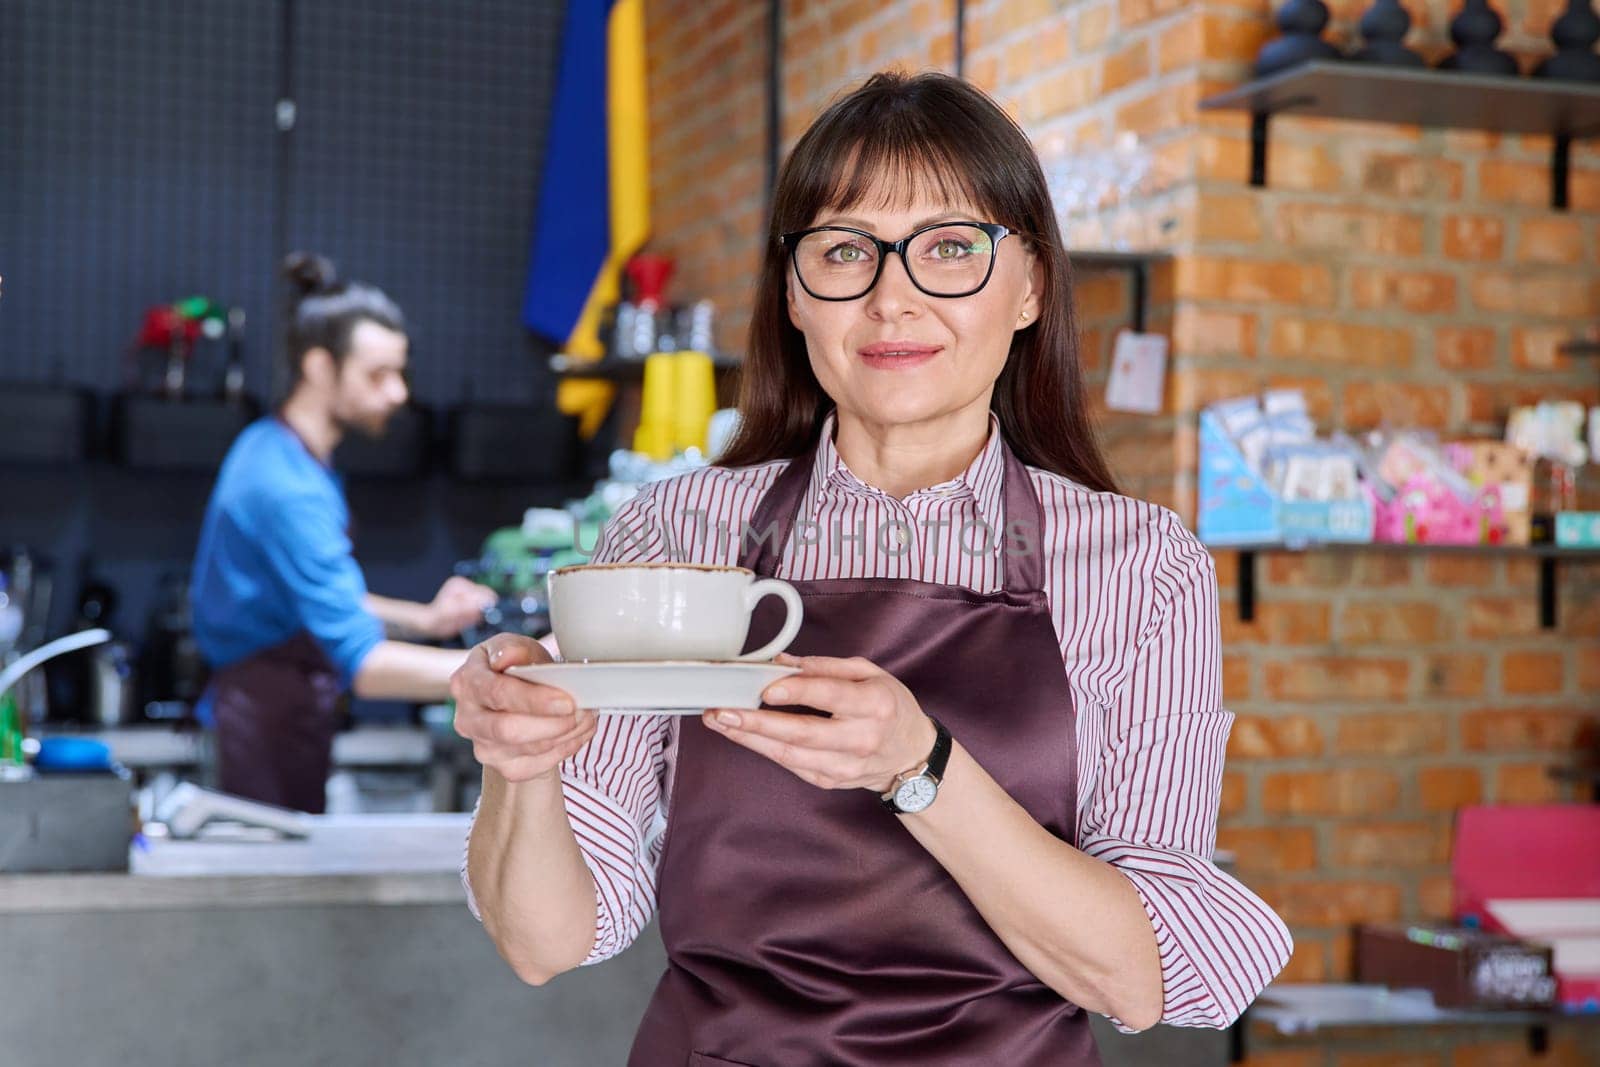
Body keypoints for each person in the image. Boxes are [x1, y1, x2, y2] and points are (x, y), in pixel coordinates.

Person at [452, 72, 1290, 1064]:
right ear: (796, 295)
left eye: (949, 248)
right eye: (844, 251)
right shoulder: (681, 533)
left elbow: (1136, 972)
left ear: (1030, 286)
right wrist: (520, 764)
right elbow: (545, 938)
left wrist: (919, 766)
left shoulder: (1138, 567)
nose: (892, 298)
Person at [191, 253, 494, 814]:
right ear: (319, 368)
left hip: (278, 702)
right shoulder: (289, 489)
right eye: (377, 375)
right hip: (265, 719)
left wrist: (423, 618)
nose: (399, 393)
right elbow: (367, 666)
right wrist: (519, 669)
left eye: (399, 372)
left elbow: (316, 594)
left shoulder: (273, 446)